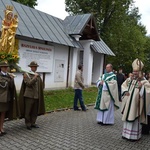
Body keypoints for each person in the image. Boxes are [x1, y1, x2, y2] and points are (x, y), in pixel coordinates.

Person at [121, 58, 150, 141]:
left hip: (137, 104)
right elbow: (124, 85)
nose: (134, 73)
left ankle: (134, 136)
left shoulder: (144, 81)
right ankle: (125, 135)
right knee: (127, 117)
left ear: (140, 71)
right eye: (134, 71)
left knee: (135, 118)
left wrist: (142, 88)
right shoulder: (130, 79)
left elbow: (148, 92)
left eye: (136, 71)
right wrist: (125, 91)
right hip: (128, 103)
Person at [19, 61, 45, 130]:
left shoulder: (37, 75)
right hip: (29, 95)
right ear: (30, 67)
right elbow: (28, 84)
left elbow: (40, 85)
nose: (35, 68)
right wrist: (35, 77)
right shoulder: (26, 74)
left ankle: (33, 123)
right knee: (28, 111)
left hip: (36, 95)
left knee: (34, 111)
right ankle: (28, 124)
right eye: (33, 66)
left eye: (36, 67)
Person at [0, 61, 20, 136]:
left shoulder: (8, 75)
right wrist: (9, 78)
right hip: (1, 99)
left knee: (3, 114)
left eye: (6, 67)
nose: (6, 68)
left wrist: (12, 79)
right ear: (1, 67)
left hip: (6, 98)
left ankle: (1, 128)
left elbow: (11, 86)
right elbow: (3, 84)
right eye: (4, 67)